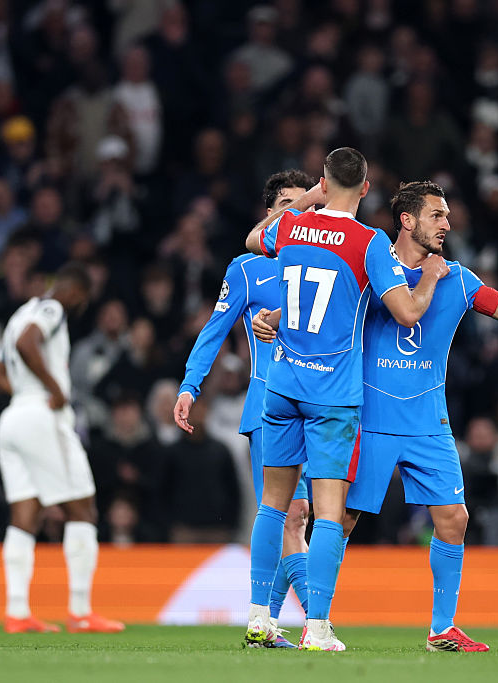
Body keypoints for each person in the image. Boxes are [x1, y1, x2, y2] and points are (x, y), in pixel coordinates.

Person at [256, 180, 498, 651]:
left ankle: (441, 628)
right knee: (334, 523)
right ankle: (287, 619)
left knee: (454, 519)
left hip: (429, 424)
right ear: (408, 220)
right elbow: (327, 307)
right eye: (437, 215)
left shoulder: (459, 279)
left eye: (447, 216)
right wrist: (278, 317)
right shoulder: (371, 266)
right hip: (368, 420)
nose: (447, 224)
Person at [242, 148, 445, 651]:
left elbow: (251, 239)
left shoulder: (290, 226)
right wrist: (432, 279)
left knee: (272, 505)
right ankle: (316, 628)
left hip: (283, 384)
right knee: (328, 511)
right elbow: (405, 313)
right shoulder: (369, 241)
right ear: (367, 188)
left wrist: (308, 200)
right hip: (332, 395)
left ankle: (257, 617)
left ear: (324, 182)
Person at [173, 169, 314, 648]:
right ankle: (316, 620)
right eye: (290, 205)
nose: (302, 214)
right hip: (269, 406)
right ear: (270, 215)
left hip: (322, 406)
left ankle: (266, 623)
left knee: (304, 519)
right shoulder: (247, 268)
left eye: (310, 205)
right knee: (289, 515)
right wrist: (190, 386)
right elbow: (213, 331)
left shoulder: (331, 266)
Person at [0, 263, 124, 634]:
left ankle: (17, 613)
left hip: (13, 417)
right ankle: (80, 612)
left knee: (24, 514)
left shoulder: (19, 312)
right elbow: (26, 342)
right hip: (42, 417)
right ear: (77, 292)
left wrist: (27, 393)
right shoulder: (52, 308)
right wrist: (54, 388)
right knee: (83, 508)